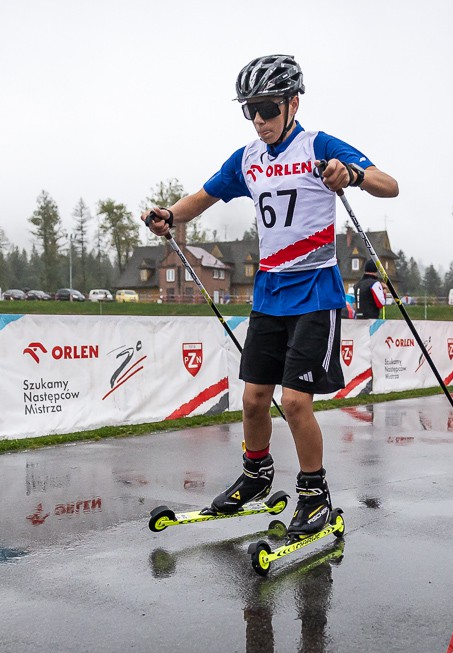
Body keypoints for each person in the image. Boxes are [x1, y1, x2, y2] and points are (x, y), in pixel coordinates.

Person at [141, 54, 398, 540]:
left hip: (315, 292)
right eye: (250, 110)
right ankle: (256, 475)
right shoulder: (248, 159)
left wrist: (352, 175)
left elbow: (390, 185)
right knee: (254, 398)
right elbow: (204, 195)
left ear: (293, 103)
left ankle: (315, 495)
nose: (259, 120)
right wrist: (170, 214)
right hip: (268, 294)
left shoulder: (318, 145)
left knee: (296, 402)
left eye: (267, 108)